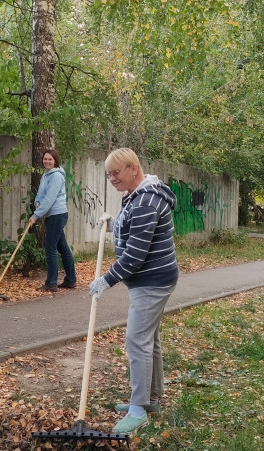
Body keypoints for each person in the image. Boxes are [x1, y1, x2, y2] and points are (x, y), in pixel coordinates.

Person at [89, 147, 179, 434]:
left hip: (152, 281)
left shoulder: (146, 201)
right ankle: (151, 398)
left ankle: (138, 410)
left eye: (116, 173)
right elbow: (135, 230)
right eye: (108, 174)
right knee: (149, 339)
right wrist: (113, 224)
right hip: (154, 278)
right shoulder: (140, 195)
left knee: (136, 340)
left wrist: (106, 280)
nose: (112, 178)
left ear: (133, 169)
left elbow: (134, 256)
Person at [29, 149, 77, 292]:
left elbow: (50, 199)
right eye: (45, 159)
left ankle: (51, 283)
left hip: (57, 214)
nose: (47, 161)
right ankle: (70, 279)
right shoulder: (46, 175)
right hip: (52, 215)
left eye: (50, 159)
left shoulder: (56, 176)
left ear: (55, 161)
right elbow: (41, 194)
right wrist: (37, 202)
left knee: (50, 247)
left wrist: (35, 215)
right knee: (62, 247)